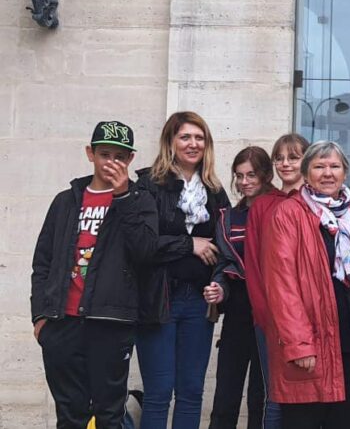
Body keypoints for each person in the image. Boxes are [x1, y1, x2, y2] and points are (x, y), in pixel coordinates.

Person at [31, 121, 157, 429]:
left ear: (130, 159)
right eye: (104, 154)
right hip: (62, 323)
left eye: (119, 156)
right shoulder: (65, 201)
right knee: (70, 414)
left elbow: (145, 253)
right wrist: (40, 318)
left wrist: (124, 196)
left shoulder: (141, 200)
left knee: (108, 414)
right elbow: (42, 263)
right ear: (90, 153)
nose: (111, 163)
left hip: (110, 323)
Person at [262, 140, 350, 428]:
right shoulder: (288, 214)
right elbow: (282, 286)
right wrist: (299, 344)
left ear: (345, 172)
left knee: (346, 421)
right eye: (319, 166)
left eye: (334, 166)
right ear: (306, 172)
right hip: (312, 346)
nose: (327, 173)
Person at [136, 111, 235, 429]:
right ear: (170, 141)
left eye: (199, 137)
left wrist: (219, 284)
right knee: (158, 393)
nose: (193, 144)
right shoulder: (148, 184)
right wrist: (189, 244)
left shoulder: (215, 191)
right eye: (185, 137)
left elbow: (227, 250)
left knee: (192, 393)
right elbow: (141, 245)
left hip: (198, 302)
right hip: (157, 299)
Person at [204, 147, 276, 429]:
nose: (245, 182)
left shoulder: (280, 208)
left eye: (251, 175)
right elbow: (223, 264)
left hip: (269, 311)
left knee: (261, 395)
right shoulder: (229, 217)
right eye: (239, 176)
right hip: (237, 309)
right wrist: (219, 289)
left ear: (266, 175)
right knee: (225, 395)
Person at [243, 133, 307, 429]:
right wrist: (266, 316)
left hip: (312, 318)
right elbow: (254, 267)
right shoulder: (262, 205)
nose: (285, 164)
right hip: (272, 319)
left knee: (311, 398)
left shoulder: (315, 202)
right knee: (277, 396)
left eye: (293, 157)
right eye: (279, 158)